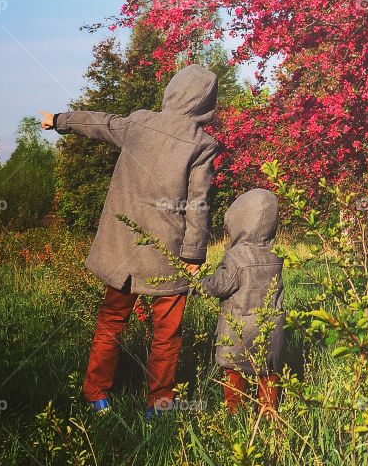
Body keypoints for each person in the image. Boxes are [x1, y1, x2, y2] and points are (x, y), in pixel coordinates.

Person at [40, 63, 220, 420]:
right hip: (168, 251)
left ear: (172, 91)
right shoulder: (202, 145)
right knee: (166, 334)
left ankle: (96, 395)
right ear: (205, 103)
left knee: (111, 322)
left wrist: (59, 120)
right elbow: (199, 205)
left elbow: (100, 123)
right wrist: (194, 255)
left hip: (121, 248)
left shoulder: (139, 123)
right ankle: (159, 403)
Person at [200, 188, 284, 415]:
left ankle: (234, 411)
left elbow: (221, 285)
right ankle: (268, 412)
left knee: (234, 371)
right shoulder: (276, 253)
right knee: (268, 372)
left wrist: (198, 284)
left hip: (240, 327)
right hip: (270, 327)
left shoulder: (237, 256)